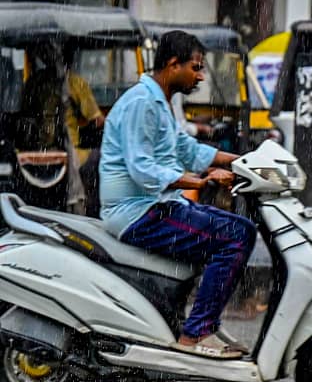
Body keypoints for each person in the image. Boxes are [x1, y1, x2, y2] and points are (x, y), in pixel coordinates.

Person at [99, 30, 255, 360]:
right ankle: (196, 333)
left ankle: (200, 322)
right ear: (173, 65)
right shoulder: (143, 103)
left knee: (243, 229)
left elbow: (186, 149)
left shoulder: (159, 100)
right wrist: (201, 182)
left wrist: (245, 162)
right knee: (235, 236)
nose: (200, 77)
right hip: (137, 212)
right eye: (196, 68)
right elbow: (142, 168)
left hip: (157, 205)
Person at [20, 42, 106, 213]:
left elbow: (25, 114)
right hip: (71, 152)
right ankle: (93, 211)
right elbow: (98, 121)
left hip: (36, 150)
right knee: (100, 158)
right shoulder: (74, 82)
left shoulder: (33, 82)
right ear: (71, 58)